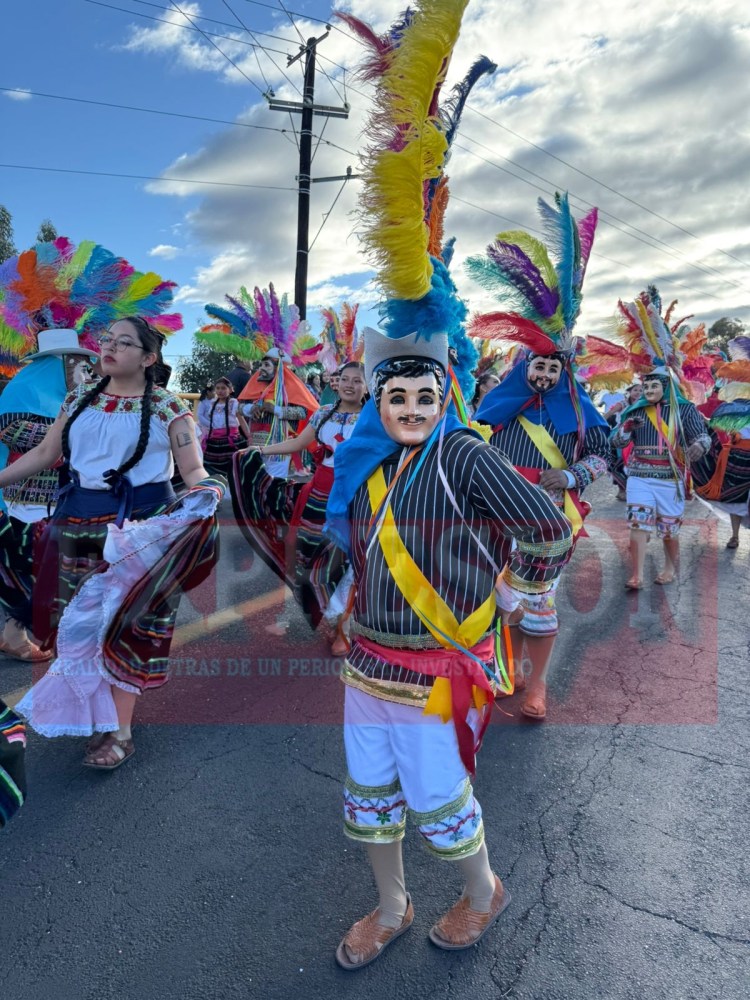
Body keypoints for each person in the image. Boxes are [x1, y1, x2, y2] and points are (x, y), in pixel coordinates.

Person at [329, 4, 570, 966]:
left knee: (438, 799)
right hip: (366, 666)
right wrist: (345, 596)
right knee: (368, 800)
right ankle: (388, 907)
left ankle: (483, 890)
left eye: (426, 388)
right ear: (379, 392)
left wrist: (507, 596)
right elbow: (348, 538)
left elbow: (549, 524)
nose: (410, 400)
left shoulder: (466, 452)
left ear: (448, 386)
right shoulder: (364, 458)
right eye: (396, 388)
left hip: (438, 666)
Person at [1, 317, 221, 769]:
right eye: (106, 340)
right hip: (75, 524)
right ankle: (93, 712)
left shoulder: (168, 408)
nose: (109, 348)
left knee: (130, 627)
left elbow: (193, 469)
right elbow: (45, 455)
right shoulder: (78, 398)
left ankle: (119, 730)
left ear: (148, 357)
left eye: (124, 343)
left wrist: (208, 488)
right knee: (75, 625)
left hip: (140, 532)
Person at [468, 195, 610, 722]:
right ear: (524, 365)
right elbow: (470, 445)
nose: (545, 376)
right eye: (538, 367)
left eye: (554, 369)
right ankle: (504, 671)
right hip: (490, 513)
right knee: (492, 599)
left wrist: (572, 473)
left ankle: (537, 686)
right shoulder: (496, 403)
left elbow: (603, 460)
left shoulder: (579, 408)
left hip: (548, 517)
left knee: (538, 605)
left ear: (564, 372)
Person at [231, 362, 367, 650]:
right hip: (317, 493)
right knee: (306, 555)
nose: (350, 385)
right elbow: (299, 443)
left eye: (358, 380)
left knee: (343, 559)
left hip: (353, 496)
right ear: (335, 382)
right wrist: (259, 450)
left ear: (367, 387)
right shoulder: (322, 414)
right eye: (345, 379)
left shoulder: (373, 418)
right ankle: (317, 613)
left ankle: (342, 625)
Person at [0, 330, 97, 662]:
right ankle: (21, 633)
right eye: (81, 365)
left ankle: (18, 633)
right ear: (61, 363)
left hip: (57, 500)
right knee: (32, 568)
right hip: (23, 502)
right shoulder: (21, 394)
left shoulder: (69, 400)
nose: (87, 373)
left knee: (46, 568)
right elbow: (41, 446)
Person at [612, 368, 710, 587]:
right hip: (639, 476)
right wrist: (626, 429)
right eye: (645, 386)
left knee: (669, 529)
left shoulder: (684, 410)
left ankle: (669, 568)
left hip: (670, 478)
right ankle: (637, 575)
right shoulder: (634, 411)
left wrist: (699, 446)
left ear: (667, 387)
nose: (648, 390)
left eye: (654, 386)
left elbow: (703, 435)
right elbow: (617, 442)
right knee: (638, 524)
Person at [201, 376, 249, 474]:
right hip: (215, 441)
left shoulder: (233, 403)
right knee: (212, 467)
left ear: (230, 390)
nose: (220, 391)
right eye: (218, 388)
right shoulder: (213, 403)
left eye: (223, 388)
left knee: (233, 466)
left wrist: (249, 437)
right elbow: (212, 423)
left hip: (231, 440)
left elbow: (242, 421)